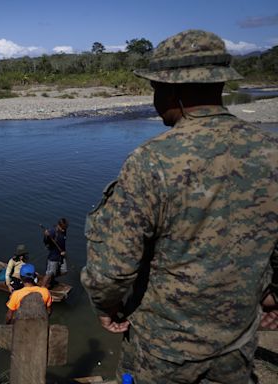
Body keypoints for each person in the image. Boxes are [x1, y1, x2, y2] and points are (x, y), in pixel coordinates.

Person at [80, 29, 278, 384]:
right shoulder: (271, 152)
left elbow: (113, 267)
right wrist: (273, 295)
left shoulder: (152, 161)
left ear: (173, 90)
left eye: (156, 89)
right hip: (237, 340)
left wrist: (106, 306)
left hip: (163, 350)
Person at [41, 218, 68, 288]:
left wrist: (64, 251)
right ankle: (42, 287)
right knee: (49, 273)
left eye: (65, 228)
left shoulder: (64, 231)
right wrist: (46, 236)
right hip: (53, 256)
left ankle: (52, 279)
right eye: (62, 228)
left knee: (64, 270)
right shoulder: (52, 232)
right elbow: (46, 242)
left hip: (61, 255)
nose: (63, 230)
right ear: (58, 225)